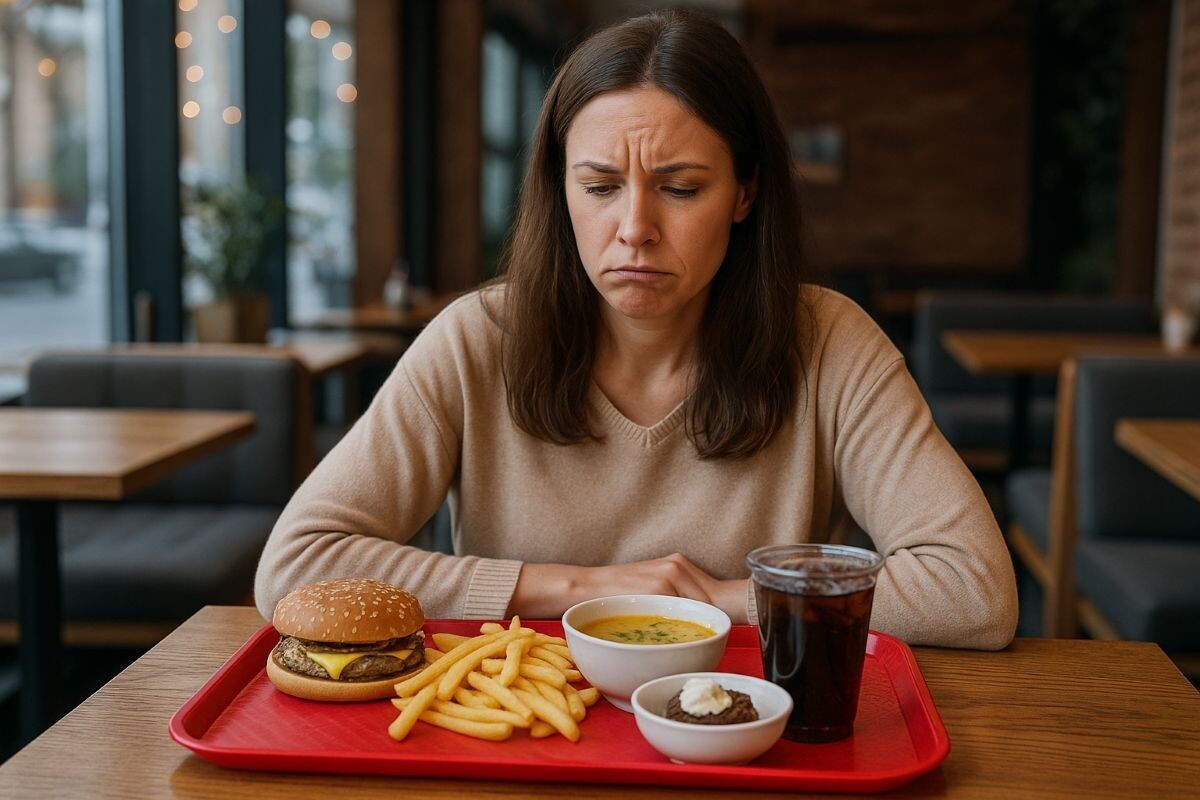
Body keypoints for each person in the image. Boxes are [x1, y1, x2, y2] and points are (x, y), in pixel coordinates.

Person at [255, 10, 1017, 649]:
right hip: (517, 741)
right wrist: (580, 589)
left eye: (680, 188)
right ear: (561, 192)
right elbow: (294, 567)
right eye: (599, 186)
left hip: (744, 737)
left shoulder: (827, 341)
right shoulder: (478, 338)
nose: (635, 229)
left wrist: (722, 600)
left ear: (745, 194)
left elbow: (974, 590)